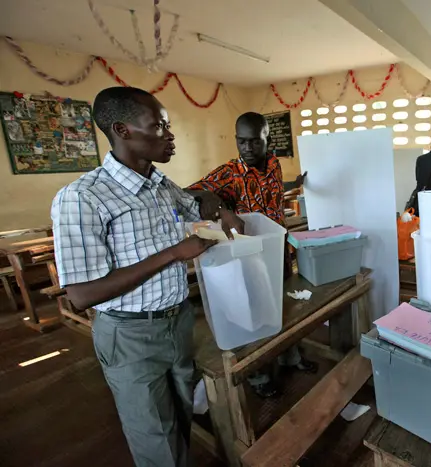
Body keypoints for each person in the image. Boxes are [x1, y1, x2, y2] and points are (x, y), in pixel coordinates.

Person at [51, 87, 243, 467]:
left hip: (177, 323)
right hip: (131, 335)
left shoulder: (159, 185)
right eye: (158, 126)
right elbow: (81, 294)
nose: (170, 135)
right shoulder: (82, 198)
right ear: (122, 130)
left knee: (180, 420)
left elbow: (195, 200)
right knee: (157, 440)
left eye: (168, 126)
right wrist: (173, 253)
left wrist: (218, 205)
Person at [187, 111, 315, 398]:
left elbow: (273, 192)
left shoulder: (274, 164)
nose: (247, 148)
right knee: (251, 314)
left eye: (254, 142)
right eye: (241, 141)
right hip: (247, 259)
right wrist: (217, 204)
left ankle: (289, 356)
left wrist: (293, 185)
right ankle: (257, 376)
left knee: (279, 308)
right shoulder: (230, 173)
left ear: (267, 138)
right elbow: (186, 193)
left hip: (276, 252)